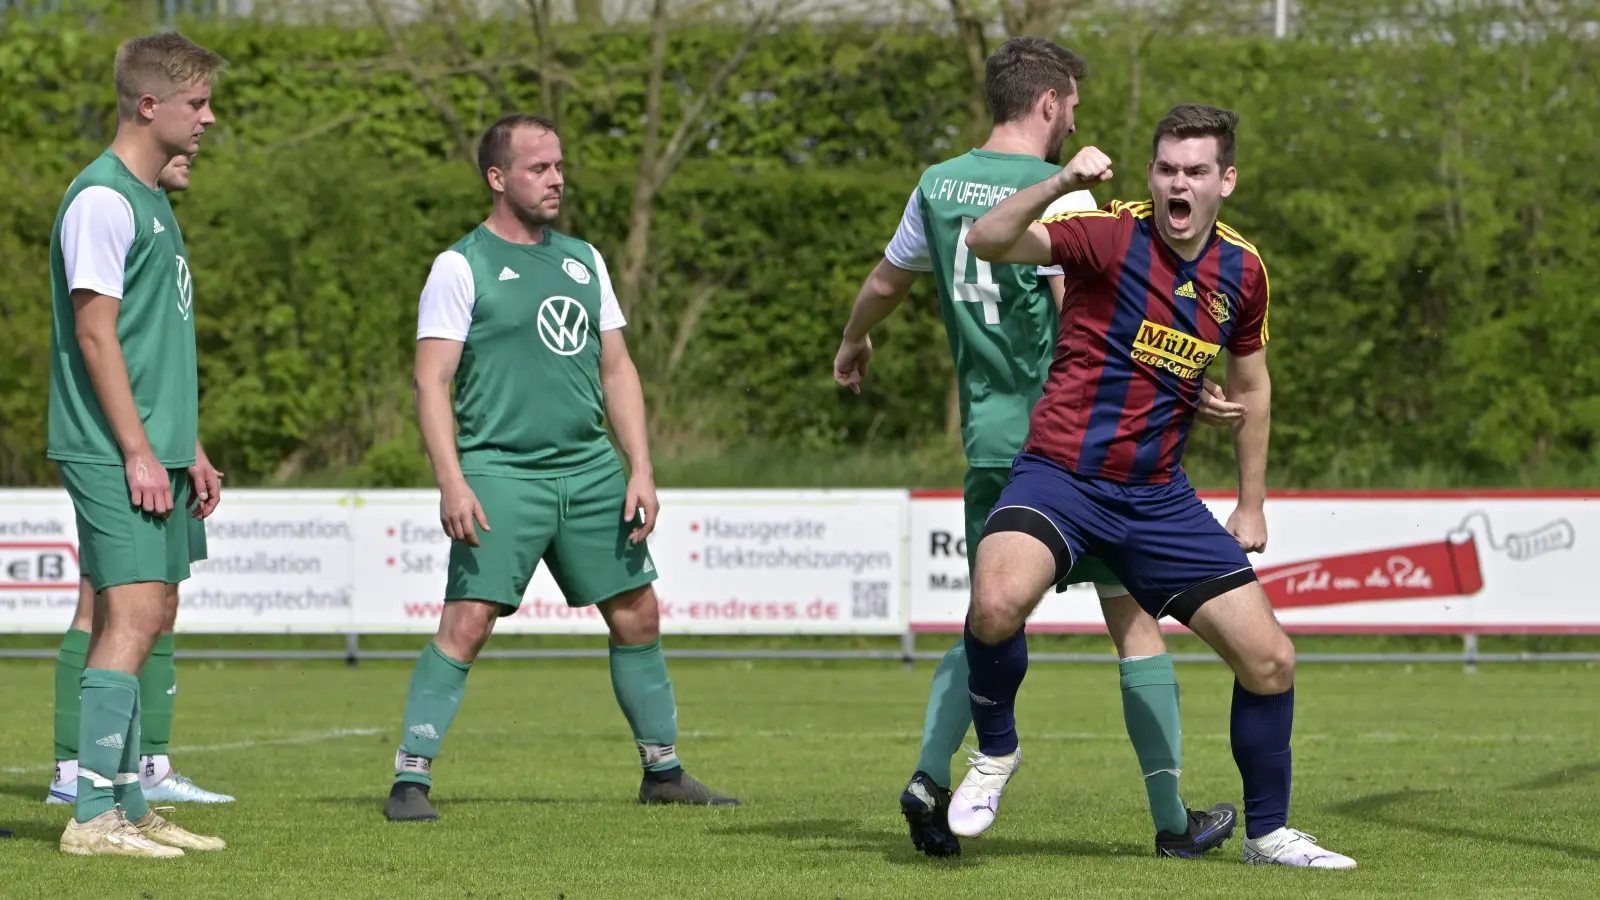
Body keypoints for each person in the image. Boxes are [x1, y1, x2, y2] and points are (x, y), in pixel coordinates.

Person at [834, 38, 1241, 860]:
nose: (1074, 124)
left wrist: (853, 344)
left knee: (988, 618)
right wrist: (1183, 379)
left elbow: (885, 282)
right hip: (1076, 447)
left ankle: (928, 776)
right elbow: (1096, 312)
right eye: (1074, 109)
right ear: (1050, 104)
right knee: (1134, 625)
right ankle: (1171, 822)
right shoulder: (1065, 195)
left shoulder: (938, 185)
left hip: (988, 443)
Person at [953, 103, 1356, 869]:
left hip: (1157, 499)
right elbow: (988, 239)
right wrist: (1062, 181)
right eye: (1167, 168)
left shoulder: (1243, 269)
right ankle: (995, 754)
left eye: (1196, 171)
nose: (1179, 183)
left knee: (1271, 660)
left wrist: (1251, 500)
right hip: (1060, 475)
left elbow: (1252, 383)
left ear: (1225, 181)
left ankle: (1268, 835)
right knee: (997, 601)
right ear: (1151, 174)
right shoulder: (1109, 231)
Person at [383, 112, 739, 823]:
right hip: (501, 472)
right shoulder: (461, 265)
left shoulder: (585, 259)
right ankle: (409, 780)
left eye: (559, 166)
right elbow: (431, 382)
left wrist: (640, 466)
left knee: (637, 613)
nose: (556, 179)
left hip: (590, 469)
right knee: (469, 621)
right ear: (497, 178)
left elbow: (617, 368)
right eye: (539, 168)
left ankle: (662, 772)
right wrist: (452, 480)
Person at [46, 32, 228, 857]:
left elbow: (157, 346)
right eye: (197, 104)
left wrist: (186, 445)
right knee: (124, 617)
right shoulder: (104, 199)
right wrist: (136, 450)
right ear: (150, 105)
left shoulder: (154, 201)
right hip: (110, 449)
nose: (209, 119)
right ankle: (90, 818)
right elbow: (95, 335)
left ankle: (126, 801)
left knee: (147, 612)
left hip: (156, 448)